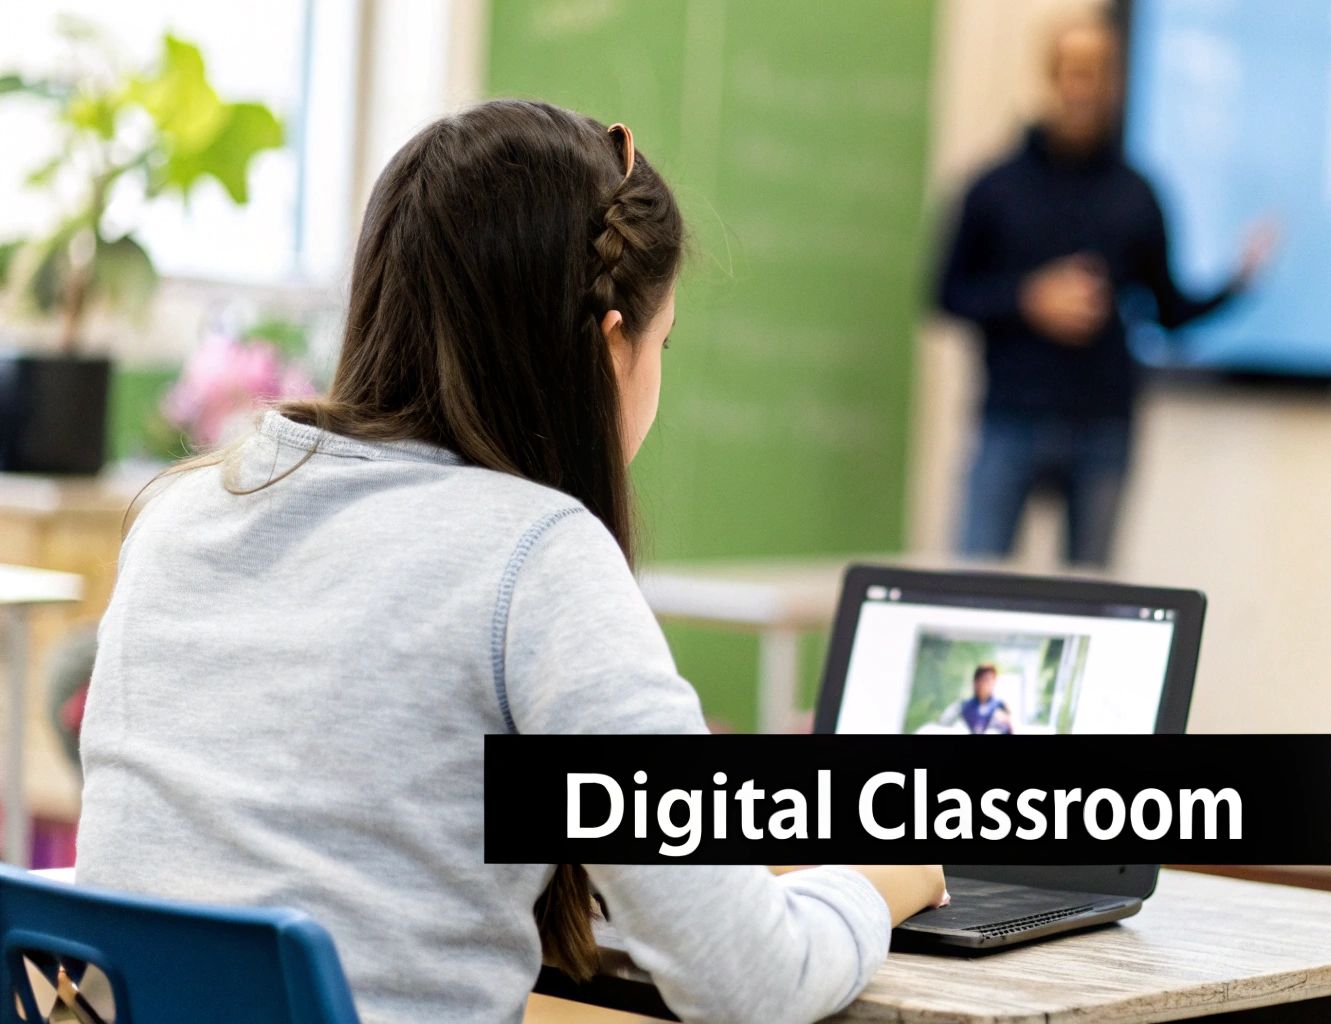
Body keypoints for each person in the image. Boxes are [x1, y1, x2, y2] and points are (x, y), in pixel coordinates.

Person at [76, 100, 945, 1024]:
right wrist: (877, 880)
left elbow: (387, 805)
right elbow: (750, 983)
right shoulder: (535, 557)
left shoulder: (186, 512)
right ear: (613, 344)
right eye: (665, 343)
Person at [937, 11, 1275, 567]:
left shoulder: (1137, 194)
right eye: (1071, 70)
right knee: (975, 580)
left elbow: (1169, 310)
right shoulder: (993, 188)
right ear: (1050, 78)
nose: (1082, 86)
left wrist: (1238, 280)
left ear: (1114, 82)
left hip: (1102, 424)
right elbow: (947, 295)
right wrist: (1027, 299)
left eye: (1096, 71)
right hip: (1009, 416)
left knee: (1094, 600)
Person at [938, 664, 1014, 735]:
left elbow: (1011, 728)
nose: (988, 683)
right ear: (976, 681)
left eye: (991, 680)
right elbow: (943, 722)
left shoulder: (1000, 706)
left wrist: (1005, 722)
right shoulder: (963, 705)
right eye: (984, 679)